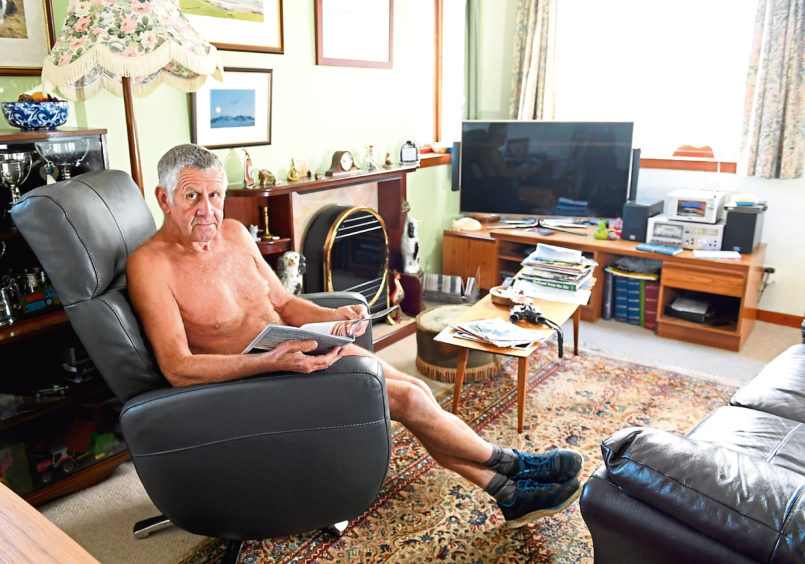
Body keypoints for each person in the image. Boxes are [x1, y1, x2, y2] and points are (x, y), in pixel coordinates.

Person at [126, 144, 584, 529]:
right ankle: (515, 465)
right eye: (192, 197)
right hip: (254, 384)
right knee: (409, 400)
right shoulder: (151, 266)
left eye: (215, 195)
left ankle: (507, 492)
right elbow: (177, 367)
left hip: (295, 354)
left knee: (415, 389)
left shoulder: (233, 234)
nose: (207, 211)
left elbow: (284, 304)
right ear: (163, 198)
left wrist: (332, 314)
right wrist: (271, 362)